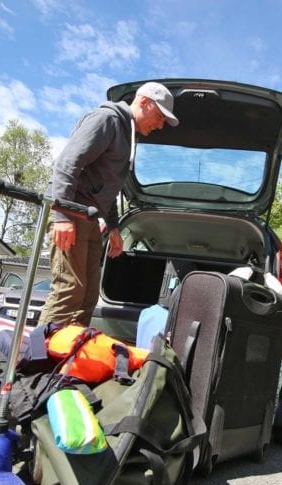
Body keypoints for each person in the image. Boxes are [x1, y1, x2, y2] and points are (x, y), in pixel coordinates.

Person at [38, 82, 179, 326]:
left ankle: (70, 354)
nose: (159, 125)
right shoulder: (107, 120)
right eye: (159, 116)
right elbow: (67, 164)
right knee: (69, 291)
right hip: (70, 212)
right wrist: (63, 216)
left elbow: (108, 189)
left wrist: (113, 227)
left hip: (89, 219)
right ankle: (35, 360)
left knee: (89, 295)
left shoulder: (127, 134)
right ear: (144, 102)